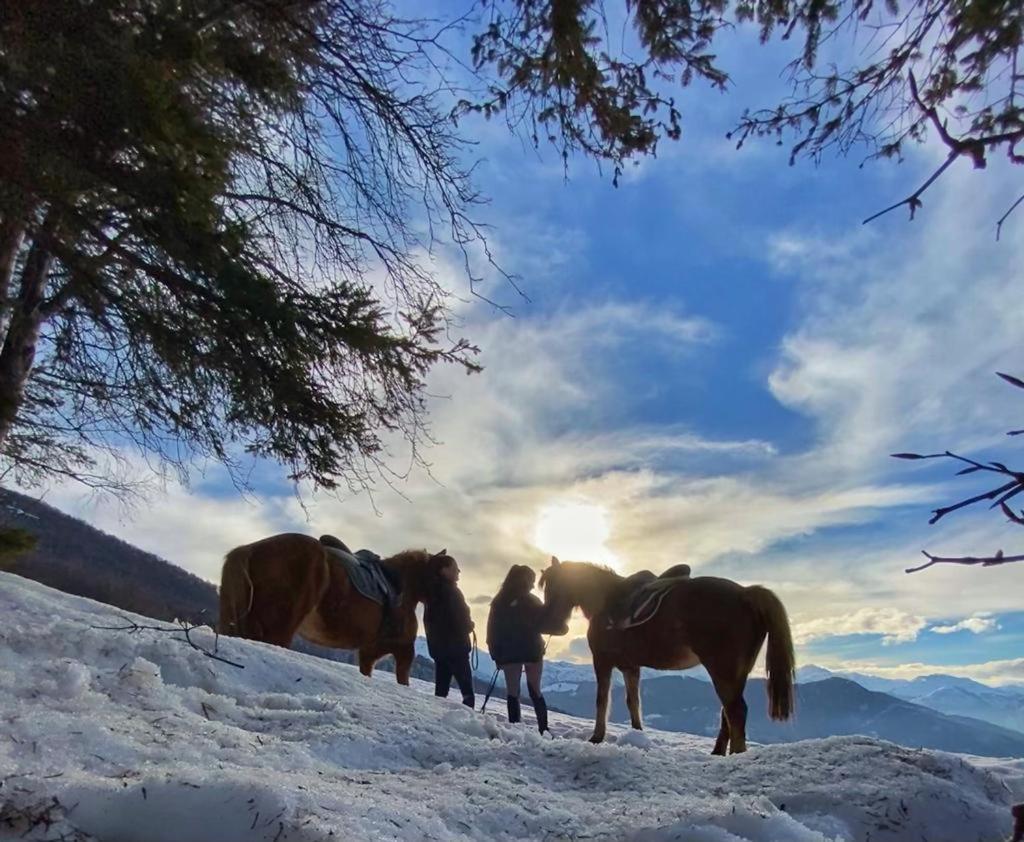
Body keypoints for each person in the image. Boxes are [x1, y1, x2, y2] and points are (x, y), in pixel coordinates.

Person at [486, 564, 554, 734]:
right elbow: (545, 624)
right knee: (535, 690)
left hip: (509, 655)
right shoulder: (533, 601)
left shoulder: (498, 602)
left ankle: (515, 728)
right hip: (533, 651)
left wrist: (496, 655)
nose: (533, 585)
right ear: (526, 580)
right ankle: (543, 729)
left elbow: (492, 630)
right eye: (532, 581)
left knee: (513, 692)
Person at [423, 552, 475, 708]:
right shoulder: (452, 592)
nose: (458, 572)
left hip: (439, 649)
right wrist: (469, 626)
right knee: (466, 689)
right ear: (443, 570)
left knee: (441, 689)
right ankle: (469, 720)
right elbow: (459, 618)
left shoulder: (431, 593)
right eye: (455, 568)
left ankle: (438, 717)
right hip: (457, 648)